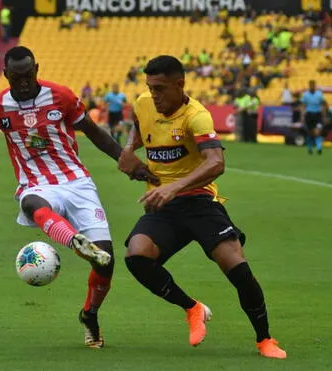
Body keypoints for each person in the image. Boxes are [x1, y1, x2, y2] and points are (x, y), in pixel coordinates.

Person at [0, 46, 154, 349]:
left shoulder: (60, 96)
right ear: (5, 74)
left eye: (28, 74)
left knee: (106, 263)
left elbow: (94, 131)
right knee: (31, 203)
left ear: (36, 68)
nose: (23, 81)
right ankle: (74, 241)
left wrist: (125, 161)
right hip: (35, 184)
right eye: (16, 76)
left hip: (77, 183)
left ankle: (89, 315)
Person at [117, 55, 287, 359]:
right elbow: (140, 126)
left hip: (198, 201)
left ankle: (265, 340)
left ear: (179, 84)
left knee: (238, 269)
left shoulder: (197, 116)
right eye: (150, 88)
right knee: (137, 256)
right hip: (163, 205)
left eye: (160, 88)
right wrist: (129, 150)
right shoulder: (144, 103)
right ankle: (192, 308)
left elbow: (216, 162)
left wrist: (174, 187)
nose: (154, 95)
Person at [301, 80, 327, 155]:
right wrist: (302, 116)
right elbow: (303, 105)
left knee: (317, 131)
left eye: (313, 85)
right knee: (310, 133)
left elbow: (323, 104)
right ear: (309, 86)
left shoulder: (319, 94)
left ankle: (319, 148)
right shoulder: (305, 95)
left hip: (317, 114)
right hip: (309, 115)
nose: (312, 86)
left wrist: (324, 115)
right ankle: (310, 148)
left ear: (315, 85)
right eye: (310, 85)